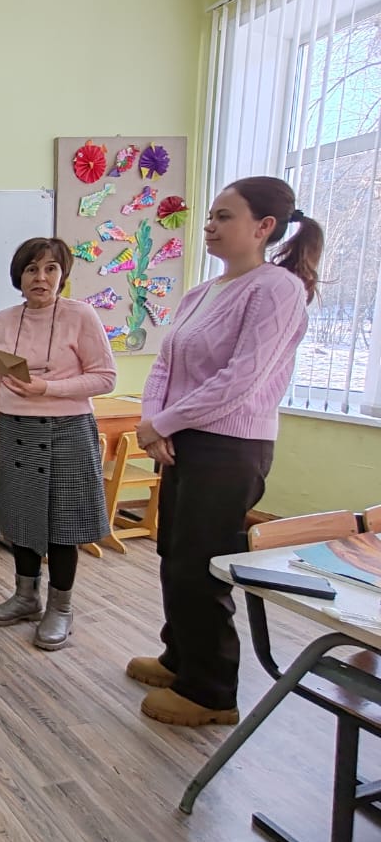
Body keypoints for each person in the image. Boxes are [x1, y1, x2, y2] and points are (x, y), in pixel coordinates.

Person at [128, 176, 321, 727]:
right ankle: (180, 658)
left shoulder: (276, 289)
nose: (210, 226)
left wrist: (163, 422)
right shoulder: (201, 292)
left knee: (202, 565)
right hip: (183, 440)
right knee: (174, 555)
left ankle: (211, 692)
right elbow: (165, 366)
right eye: (210, 216)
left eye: (224, 216)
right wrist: (152, 422)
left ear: (264, 227)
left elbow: (240, 380)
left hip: (230, 446)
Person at [0, 238, 116, 650]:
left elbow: (106, 377)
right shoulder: (3, 320)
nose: (41, 277)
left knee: (63, 524)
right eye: (32, 269)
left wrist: (47, 388)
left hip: (68, 431)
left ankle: (61, 608)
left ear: (62, 275)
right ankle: (25, 597)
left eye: (51, 269)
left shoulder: (81, 315)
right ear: (18, 276)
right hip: (15, 429)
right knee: (20, 519)